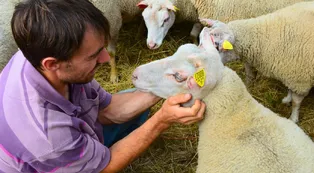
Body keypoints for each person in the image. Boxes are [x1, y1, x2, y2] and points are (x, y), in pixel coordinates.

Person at [0, 0, 206, 172]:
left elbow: (109, 110)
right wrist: (162, 120)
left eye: (102, 48)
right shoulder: (46, 135)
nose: (106, 58)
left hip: (73, 133)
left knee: (136, 107)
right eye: (93, 55)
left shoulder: (42, 53)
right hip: (52, 158)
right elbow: (105, 168)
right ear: (53, 64)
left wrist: (171, 84)